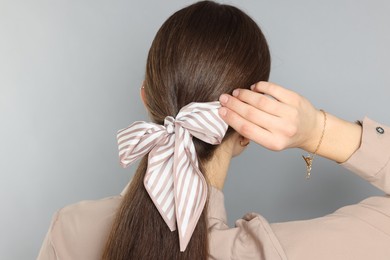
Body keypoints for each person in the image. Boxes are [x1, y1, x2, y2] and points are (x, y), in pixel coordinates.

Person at [38, 1, 390, 259]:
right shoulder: (274, 253)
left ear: (146, 97)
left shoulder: (69, 228)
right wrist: (316, 131)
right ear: (248, 129)